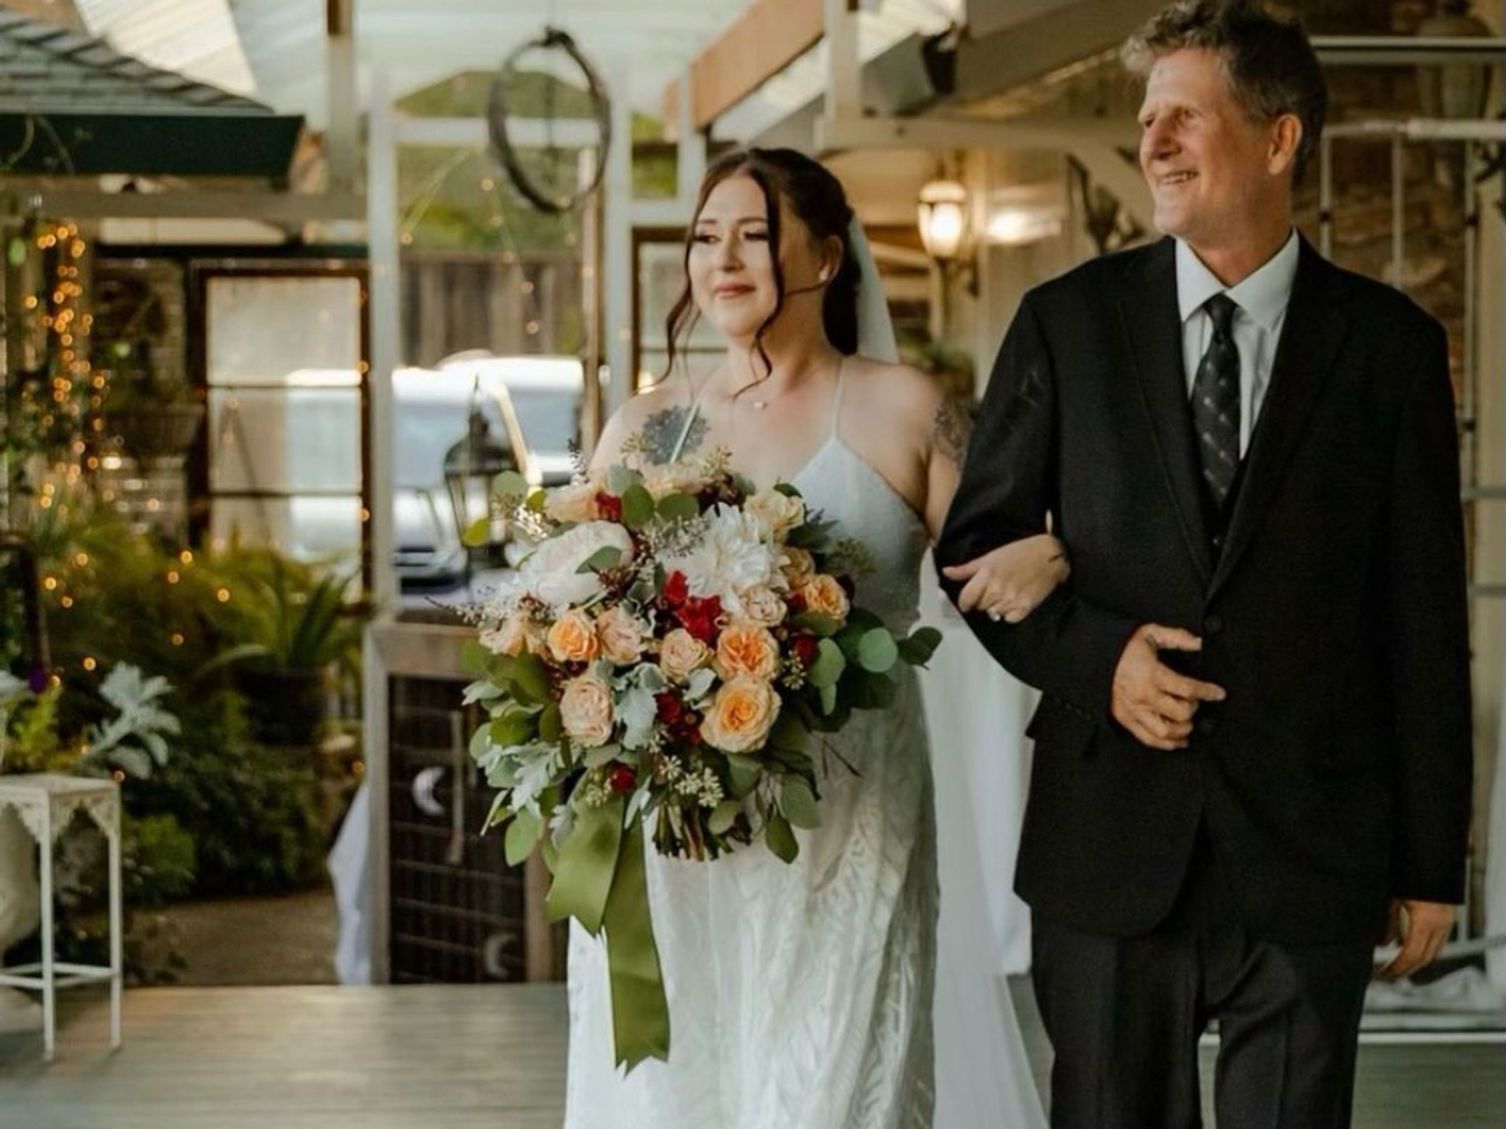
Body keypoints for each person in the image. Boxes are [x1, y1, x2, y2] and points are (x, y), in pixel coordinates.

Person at [936, 2, 1473, 1126]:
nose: (1154, 141)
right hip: (1110, 839)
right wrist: (1101, 660)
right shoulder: (1064, 325)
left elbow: (1423, 618)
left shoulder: (1391, 349)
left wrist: (1434, 858)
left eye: (1185, 115)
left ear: (1280, 139)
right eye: (1146, 119)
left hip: (1314, 846)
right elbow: (974, 554)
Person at [564, 147, 1058, 1128]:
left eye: (754, 233)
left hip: (853, 819)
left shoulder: (900, 406)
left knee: (834, 1092)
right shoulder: (651, 424)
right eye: (707, 237)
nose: (725, 260)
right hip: (679, 839)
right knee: (672, 1096)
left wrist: (1054, 551)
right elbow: (567, 557)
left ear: (826, 258)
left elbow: (989, 570)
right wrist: (530, 541)